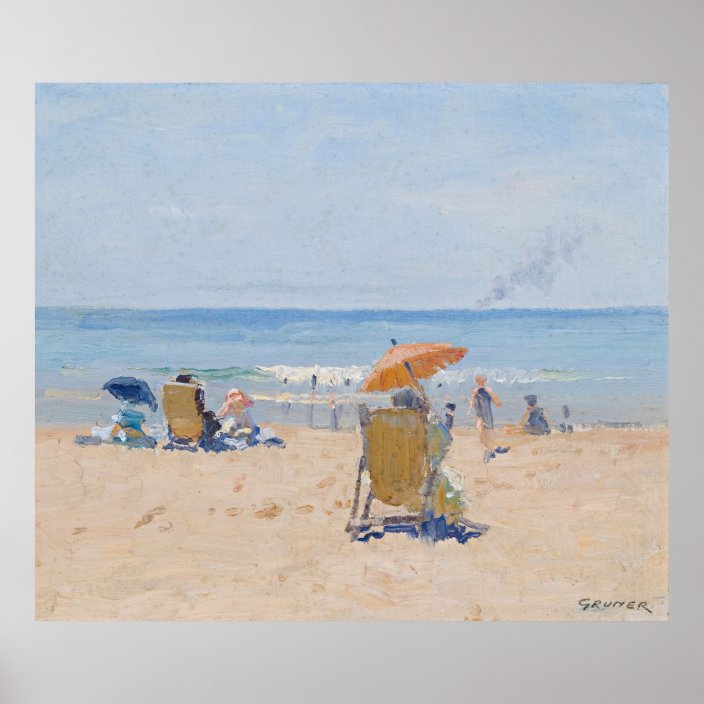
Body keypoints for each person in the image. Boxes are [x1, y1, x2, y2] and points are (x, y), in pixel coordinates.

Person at [470, 374, 510, 463]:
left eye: (482, 381)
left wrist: (490, 393)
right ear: (476, 381)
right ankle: (495, 450)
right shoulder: (475, 391)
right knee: (482, 435)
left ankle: (491, 452)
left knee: (486, 438)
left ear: (484, 381)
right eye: (478, 381)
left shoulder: (488, 390)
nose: (480, 382)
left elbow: (498, 403)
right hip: (479, 417)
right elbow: (472, 405)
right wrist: (473, 396)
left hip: (487, 416)